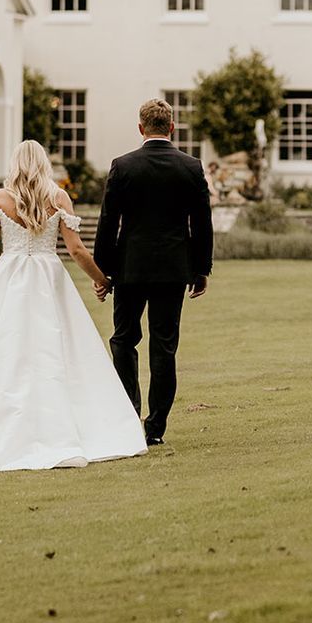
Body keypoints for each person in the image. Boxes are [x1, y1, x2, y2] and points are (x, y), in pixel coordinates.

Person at [0, 140, 147, 472]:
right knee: (58, 349)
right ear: (44, 163)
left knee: (8, 350)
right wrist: (102, 279)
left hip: (11, 278)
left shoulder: (0, 199)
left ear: (15, 163)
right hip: (48, 278)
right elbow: (76, 251)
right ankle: (64, 425)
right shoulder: (58, 197)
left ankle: (9, 429)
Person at [94, 97, 214, 446]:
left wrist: (103, 272)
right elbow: (202, 225)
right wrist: (201, 269)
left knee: (123, 340)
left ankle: (130, 416)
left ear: (141, 128)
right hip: (173, 270)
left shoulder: (123, 166)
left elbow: (108, 223)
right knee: (164, 347)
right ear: (172, 127)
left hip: (129, 268)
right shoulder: (190, 167)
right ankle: (155, 428)